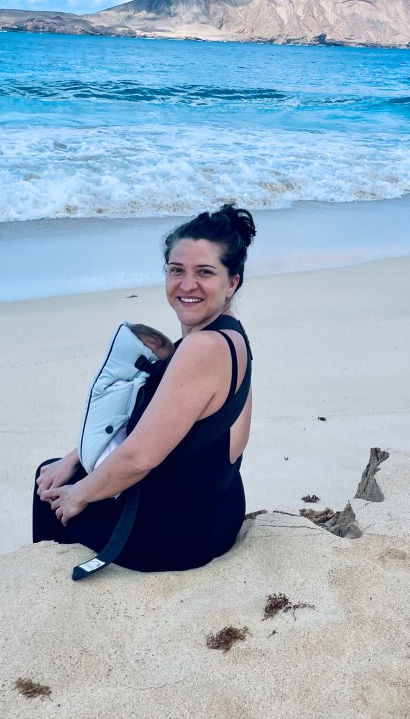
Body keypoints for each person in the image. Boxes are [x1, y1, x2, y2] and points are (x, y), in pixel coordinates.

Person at [32, 203, 256, 573]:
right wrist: (74, 458)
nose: (187, 284)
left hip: (178, 536)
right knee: (62, 469)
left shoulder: (202, 349)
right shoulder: (230, 335)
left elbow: (138, 459)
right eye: (177, 270)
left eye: (204, 272)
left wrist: (77, 496)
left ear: (231, 282)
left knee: (50, 491)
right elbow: (160, 425)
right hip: (219, 512)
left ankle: (50, 588)